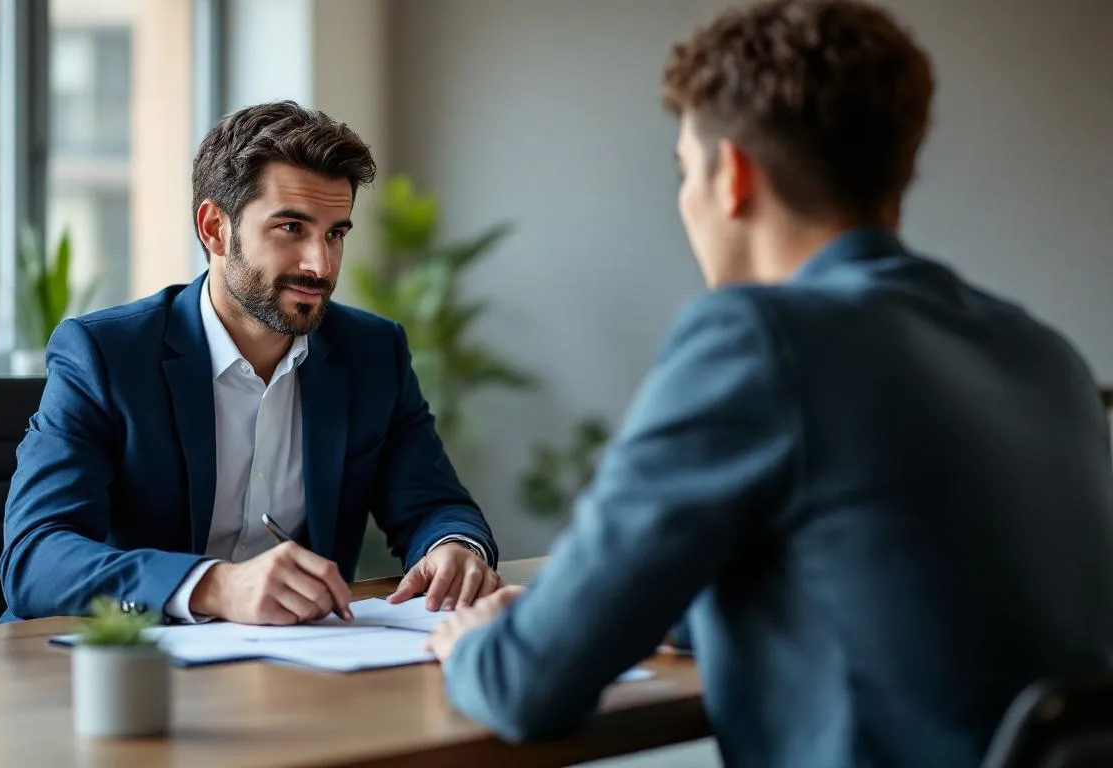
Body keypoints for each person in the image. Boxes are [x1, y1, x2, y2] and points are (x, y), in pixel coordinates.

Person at [426, 1, 1113, 766]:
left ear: (733, 176)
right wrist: (654, 614)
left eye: (686, 170)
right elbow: (908, 597)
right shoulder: (1044, 355)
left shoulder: (757, 339)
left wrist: (478, 646)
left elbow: (528, 683)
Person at [0, 101, 501, 626]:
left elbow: (433, 503)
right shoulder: (105, 355)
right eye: (291, 228)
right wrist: (214, 586)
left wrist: (455, 548)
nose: (321, 265)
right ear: (215, 227)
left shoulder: (372, 353)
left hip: (298, 662)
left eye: (335, 233)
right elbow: (35, 559)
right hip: (120, 662)